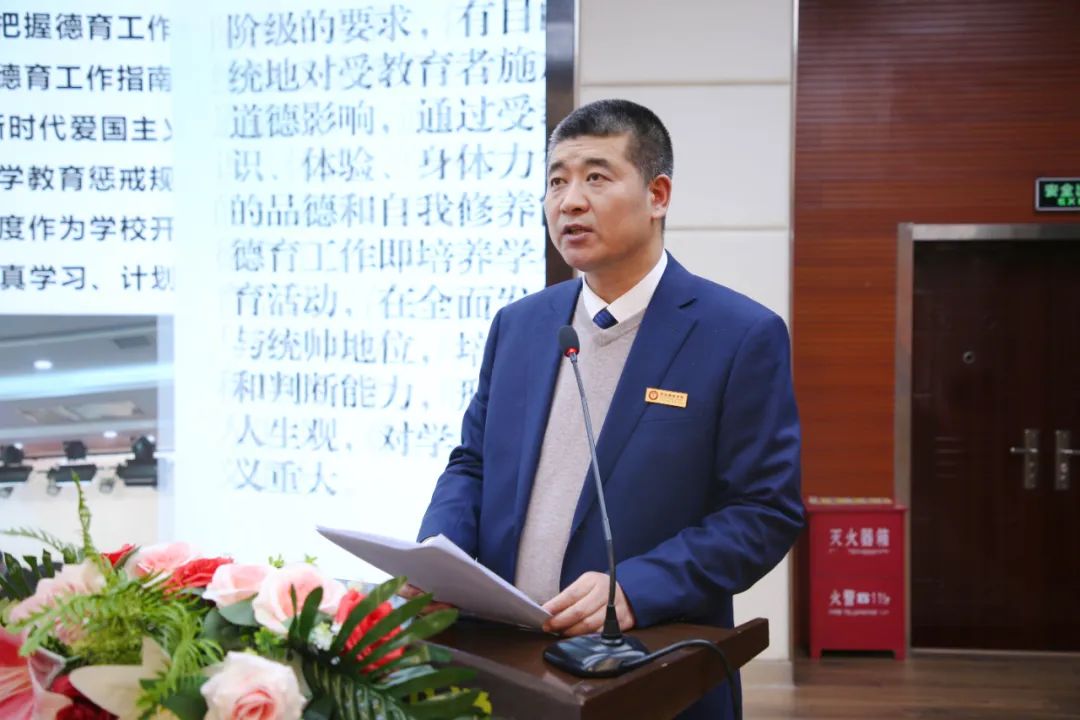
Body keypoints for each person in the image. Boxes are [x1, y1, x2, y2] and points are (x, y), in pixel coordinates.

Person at [413, 98, 804, 719]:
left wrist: (638, 589)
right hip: (501, 667)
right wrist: (440, 558)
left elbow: (764, 511)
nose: (569, 202)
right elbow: (473, 464)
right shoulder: (519, 325)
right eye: (556, 181)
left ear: (658, 195)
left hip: (645, 675)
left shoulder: (737, 335)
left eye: (596, 177)